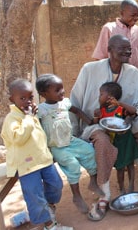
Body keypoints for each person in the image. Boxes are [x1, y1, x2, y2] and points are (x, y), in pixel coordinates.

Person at [70, 34, 138, 210]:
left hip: (128, 120)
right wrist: (75, 132)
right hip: (97, 123)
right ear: (109, 50)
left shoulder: (134, 73)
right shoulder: (89, 69)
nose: (127, 51)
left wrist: (127, 119)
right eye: (122, 48)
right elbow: (75, 102)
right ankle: (105, 192)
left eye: (129, 48)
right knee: (102, 142)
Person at [1, 79, 72, 230]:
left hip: (43, 160)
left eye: (30, 97)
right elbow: (19, 138)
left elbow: (40, 136)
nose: (27, 101)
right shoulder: (12, 119)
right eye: (22, 98)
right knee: (35, 195)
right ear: (11, 99)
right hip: (27, 165)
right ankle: (50, 225)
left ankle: (45, 210)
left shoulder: (32, 113)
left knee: (56, 185)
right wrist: (28, 118)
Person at [35, 74, 103, 214]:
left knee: (90, 153)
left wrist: (90, 121)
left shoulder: (65, 103)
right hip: (56, 146)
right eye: (57, 90)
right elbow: (36, 127)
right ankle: (76, 196)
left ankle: (93, 181)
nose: (62, 92)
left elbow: (77, 111)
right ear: (43, 94)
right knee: (72, 165)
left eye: (62, 88)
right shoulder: (41, 110)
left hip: (71, 140)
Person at [93, 81, 138, 194]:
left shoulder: (120, 108)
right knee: (119, 167)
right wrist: (96, 117)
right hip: (114, 142)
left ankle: (131, 185)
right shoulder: (102, 111)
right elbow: (95, 123)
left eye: (101, 94)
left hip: (126, 140)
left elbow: (133, 112)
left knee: (130, 164)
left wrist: (119, 103)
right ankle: (122, 189)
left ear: (110, 97)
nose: (98, 97)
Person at [91, 0, 138, 70]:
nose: (136, 18)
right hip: (115, 77)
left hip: (134, 75)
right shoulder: (109, 29)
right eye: (133, 15)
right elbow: (100, 57)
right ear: (122, 13)